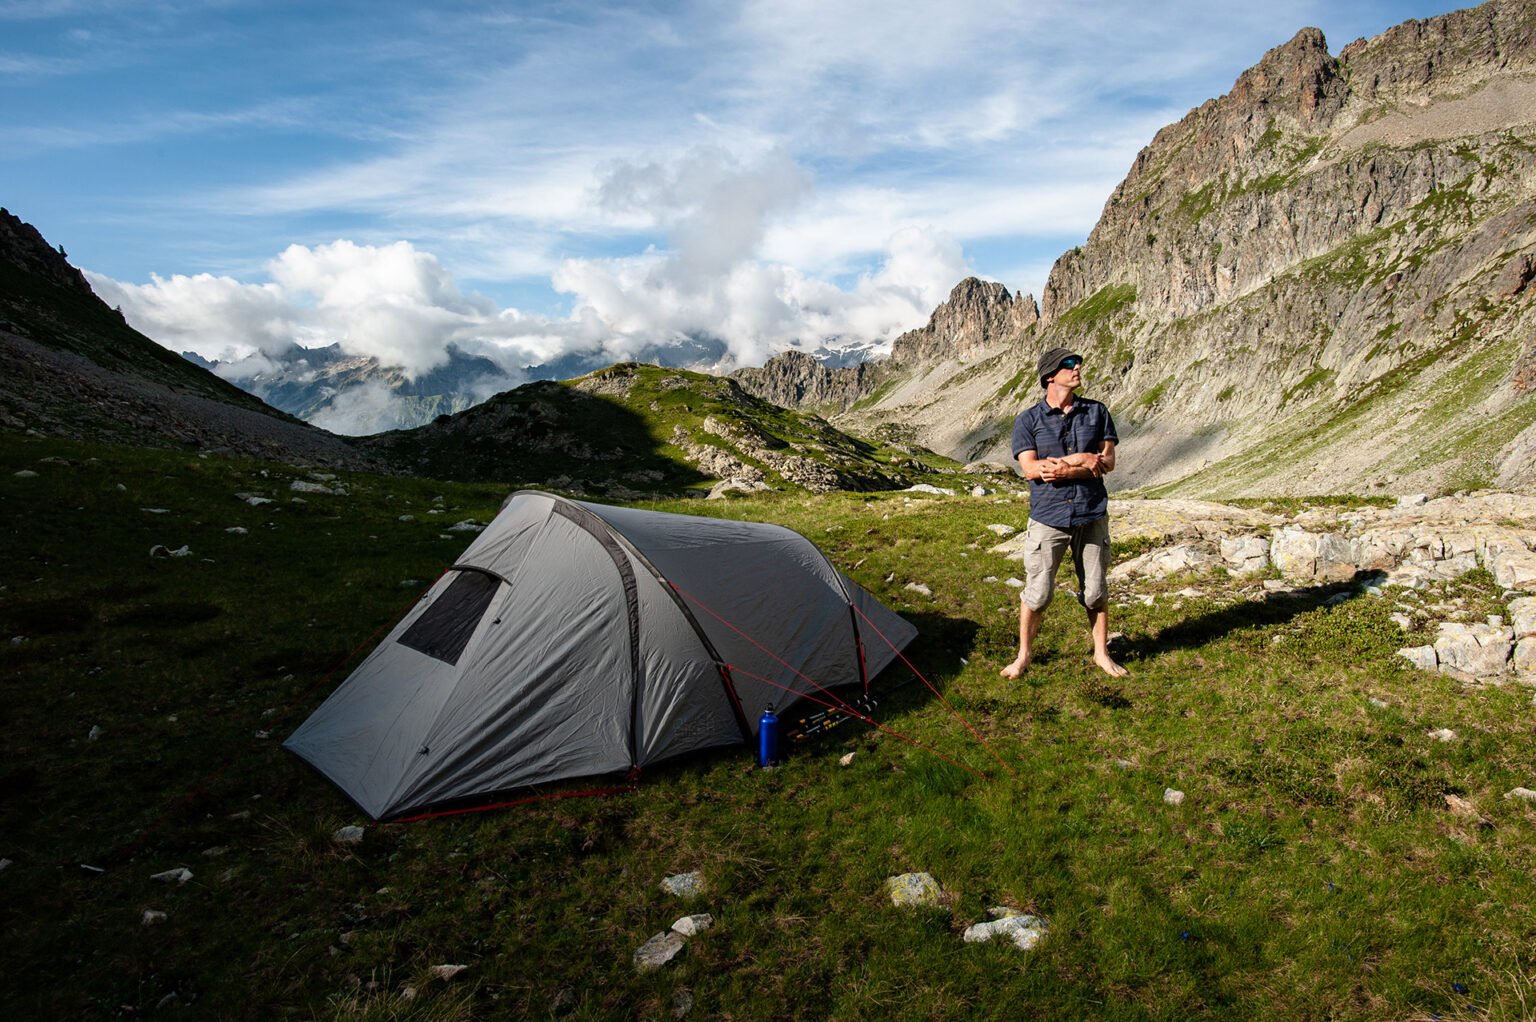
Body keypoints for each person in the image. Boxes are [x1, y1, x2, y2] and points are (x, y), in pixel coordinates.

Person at [1000, 346, 1128, 679]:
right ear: (1050, 376)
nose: (1078, 368)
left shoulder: (1097, 412)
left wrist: (1067, 468)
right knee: (1038, 593)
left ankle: (1101, 653)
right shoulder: (1028, 419)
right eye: (1069, 364)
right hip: (1048, 516)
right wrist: (1082, 459)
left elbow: (1109, 462)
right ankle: (1023, 656)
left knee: (1096, 590)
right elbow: (1031, 469)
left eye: (1079, 363)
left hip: (1091, 512)